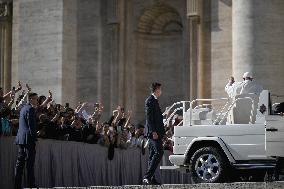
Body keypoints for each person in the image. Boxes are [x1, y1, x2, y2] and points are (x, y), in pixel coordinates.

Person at [14, 93, 39, 189]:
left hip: (21, 139)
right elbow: (31, 125)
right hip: (29, 139)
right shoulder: (31, 109)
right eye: (36, 99)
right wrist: (34, 139)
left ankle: (17, 185)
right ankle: (31, 184)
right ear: (31, 99)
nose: (37, 101)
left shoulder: (23, 109)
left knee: (19, 164)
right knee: (30, 163)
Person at [143, 82, 165, 185]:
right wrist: (153, 131)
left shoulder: (155, 101)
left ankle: (150, 178)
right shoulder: (150, 100)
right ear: (156, 89)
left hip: (156, 133)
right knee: (159, 152)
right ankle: (147, 176)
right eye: (160, 89)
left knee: (152, 155)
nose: (161, 91)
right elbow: (149, 118)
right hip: (153, 133)